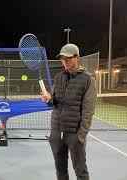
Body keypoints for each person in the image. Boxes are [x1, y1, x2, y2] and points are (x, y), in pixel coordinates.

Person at [42, 44, 97, 180]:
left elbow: (88, 111)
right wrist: (49, 99)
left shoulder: (88, 79)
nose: (65, 61)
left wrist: (81, 136)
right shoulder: (59, 77)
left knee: (81, 173)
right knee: (60, 172)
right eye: (62, 58)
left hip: (74, 135)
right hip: (56, 133)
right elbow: (54, 102)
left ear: (77, 58)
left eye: (68, 58)